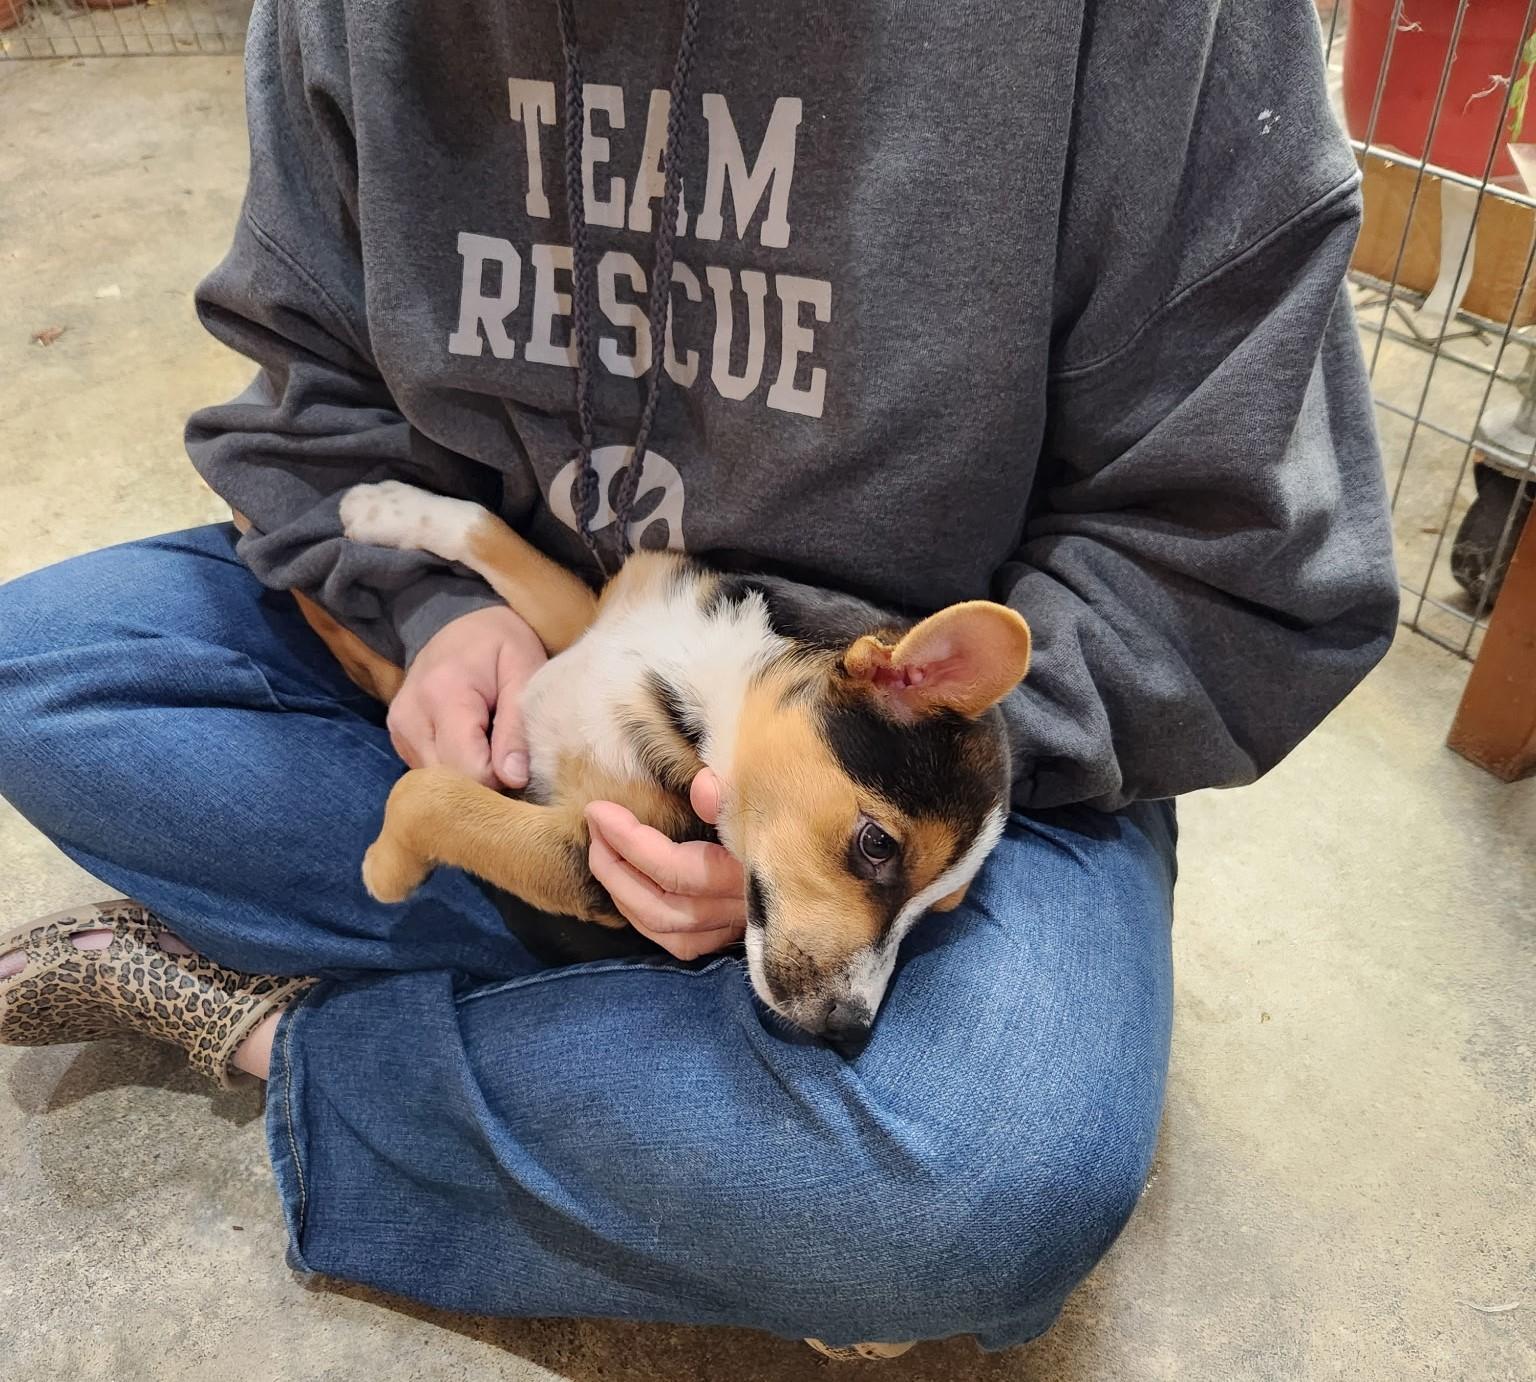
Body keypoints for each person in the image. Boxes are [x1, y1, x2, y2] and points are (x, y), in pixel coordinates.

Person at [0, 0, 1397, 1358]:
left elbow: (1241, 567)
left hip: (934, 766)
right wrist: (433, 611)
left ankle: (282, 1037)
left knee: (982, 1169)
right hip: (554, 689)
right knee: (38, 680)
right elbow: (309, 389)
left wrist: (845, 795)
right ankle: (688, 1118)